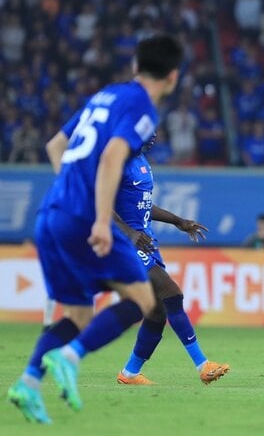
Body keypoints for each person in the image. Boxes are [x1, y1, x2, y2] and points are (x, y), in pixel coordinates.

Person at [7, 34, 183, 424]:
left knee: (79, 316)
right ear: (172, 77)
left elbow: (55, 145)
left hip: (51, 213)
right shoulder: (142, 106)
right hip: (83, 219)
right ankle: (69, 359)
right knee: (143, 301)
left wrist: (71, 190)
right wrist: (101, 219)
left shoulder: (105, 96)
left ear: (135, 67)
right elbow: (111, 158)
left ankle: (28, 382)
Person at [112, 148, 230, 385]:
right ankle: (202, 365)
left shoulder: (142, 161)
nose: (153, 134)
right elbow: (100, 206)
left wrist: (179, 221)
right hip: (124, 243)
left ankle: (129, 373)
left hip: (145, 242)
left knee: (157, 313)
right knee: (172, 293)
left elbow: (143, 206)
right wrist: (130, 233)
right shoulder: (116, 160)